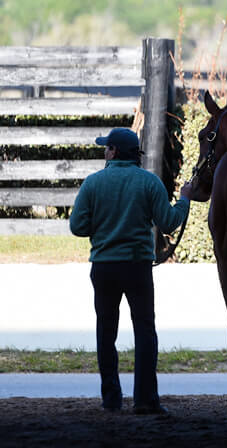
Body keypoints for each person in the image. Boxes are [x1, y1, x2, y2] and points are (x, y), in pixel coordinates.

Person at [69, 127, 193, 415]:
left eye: (106, 147)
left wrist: (101, 226)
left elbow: (77, 227)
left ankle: (111, 399)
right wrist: (185, 198)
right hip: (137, 267)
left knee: (106, 332)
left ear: (113, 151)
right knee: (145, 332)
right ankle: (146, 399)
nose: (104, 151)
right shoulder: (149, 183)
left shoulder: (93, 183)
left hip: (103, 267)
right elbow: (169, 221)